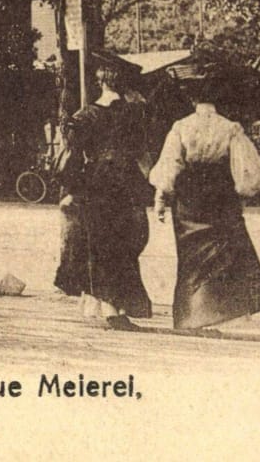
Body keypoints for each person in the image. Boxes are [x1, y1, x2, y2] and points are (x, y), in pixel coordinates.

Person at [150, 94, 260, 334]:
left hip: (189, 197)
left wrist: (161, 198)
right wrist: (243, 194)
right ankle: (222, 314)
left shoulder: (181, 127)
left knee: (191, 258)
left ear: (194, 102)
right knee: (222, 253)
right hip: (220, 195)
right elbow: (244, 168)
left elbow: (170, 166)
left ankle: (192, 315)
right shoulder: (230, 128)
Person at [54, 66, 155, 329]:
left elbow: (72, 159)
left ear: (100, 83)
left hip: (95, 186)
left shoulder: (84, 116)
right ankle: (116, 309)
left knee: (100, 245)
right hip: (127, 185)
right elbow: (143, 155)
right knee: (127, 245)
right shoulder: (133, 114)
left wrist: (69, 193)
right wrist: (155, 186)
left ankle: (110, 307)